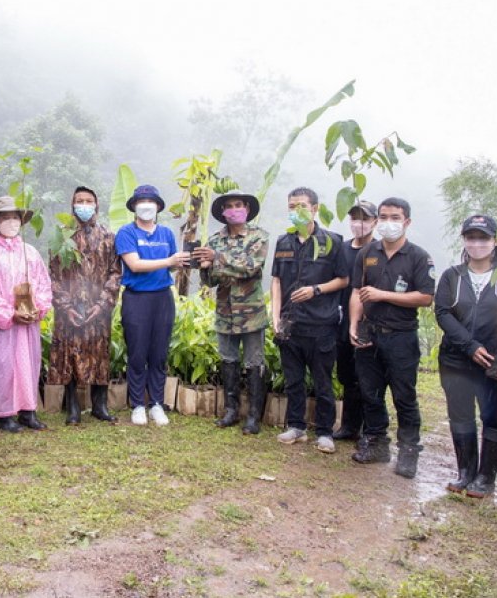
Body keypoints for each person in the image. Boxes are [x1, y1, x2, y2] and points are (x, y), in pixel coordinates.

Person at [435, 215, 497, 497]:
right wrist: (470, 346)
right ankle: (466, 472)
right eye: (471, 237)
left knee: (493, 416)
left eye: (483, 238)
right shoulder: (453, 276)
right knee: (460, 414)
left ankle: (486, 477)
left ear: (495, 242)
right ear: (464, 240)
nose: (477, 244)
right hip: (456, 359)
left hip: (494, 362)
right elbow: (442, 313)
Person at [348, 197, 435, 478]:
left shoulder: (419, 257)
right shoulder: (367, 253)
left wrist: (384, 294)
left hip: (401, 337)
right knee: (370, 393)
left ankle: (409, 450)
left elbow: (425, 297)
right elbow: (356, 291)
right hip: (369, 333)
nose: (388, 222)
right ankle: (376, 443)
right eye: (383, 216)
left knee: (404, 395)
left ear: (406, 222)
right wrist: (353, 323)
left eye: (395, 217)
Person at [270, 187, 349, 453]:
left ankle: (325, 431)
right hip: (290, 325)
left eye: (302, 205)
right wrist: (275, 317)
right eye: (292, 206)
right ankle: (296, 426)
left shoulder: (332, 242)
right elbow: (277, 281)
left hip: (321, 324)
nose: (296, 211)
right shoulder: (284, 242)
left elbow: (344, 279)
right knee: (293, 379)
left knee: (322, 380)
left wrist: (317, 289)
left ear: (315, 208)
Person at [0, 196, 53, 432]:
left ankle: (28, 411)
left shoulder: (30, 252)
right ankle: (4, 413)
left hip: (27, 323)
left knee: (28, 364)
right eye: (6, 217)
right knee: (2, 366)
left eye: (15, 217)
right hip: (2, 326)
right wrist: (9, 314)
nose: (11, 221)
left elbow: (42, 283)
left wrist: (37, 308)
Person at [115, 185, 190, 427]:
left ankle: (156, 403)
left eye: (150, 200)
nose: (146, 205)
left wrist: (181, 262)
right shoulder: (126, 233)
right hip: (137, 299)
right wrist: (169, 260)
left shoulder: (167, 234)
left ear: (158, 206)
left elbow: (170, 266)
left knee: (159, 353)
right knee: (137, 352)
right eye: (141, 201)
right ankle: (137, 404)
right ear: (134, 206)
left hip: (162, 298)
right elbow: (134, 265)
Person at [196, 190, 270, 434]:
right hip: (225, 311)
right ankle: (231, 411)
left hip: (251, 312)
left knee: (254, 362)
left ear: (247, 209)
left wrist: (217, 259)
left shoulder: (259, 236)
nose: (234, 209)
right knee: (229, 360)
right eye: (229, 206)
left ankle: (253, 416)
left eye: (238, 205)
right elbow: (211, 280)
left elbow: (251, 267)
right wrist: (205, 266)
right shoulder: (215, 240)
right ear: (223, 212)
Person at [48, 186, 122, 424]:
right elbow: (54, 275)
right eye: (79, 201)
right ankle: (73, 408)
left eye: (89, 201)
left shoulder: (109, 237)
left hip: (97, 308)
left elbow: (114, 273)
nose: (84, 205)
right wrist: (65, 306)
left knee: (99, 355)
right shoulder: (61, 236)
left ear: (96, 205)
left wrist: (102, 305)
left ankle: (100, 405)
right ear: (72, 205)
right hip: (69, 308)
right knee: (70, 354)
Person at [333, 201, 378, 441]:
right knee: (347, 374)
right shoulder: (341, 248)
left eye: (364, 218)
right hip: (340, 320)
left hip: (367, 321)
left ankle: (369, 428)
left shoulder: (378, 251)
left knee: (366, 377)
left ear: (375, 222)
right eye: (354, 218)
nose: (358, 223)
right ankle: (349, 426)